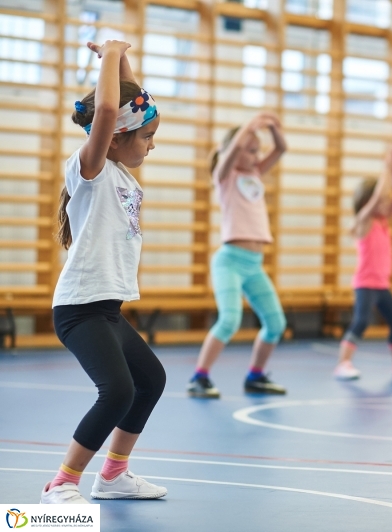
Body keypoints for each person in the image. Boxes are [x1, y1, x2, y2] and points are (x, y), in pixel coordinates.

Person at [43, 40, 166, 503]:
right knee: (115, 391)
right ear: (113, 134)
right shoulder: (90, 168)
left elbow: (131, 99)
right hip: (79, 309)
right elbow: (114, 108)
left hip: (107, 310)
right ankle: (62, 485)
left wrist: (124, 66)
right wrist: (112, 52)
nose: (152, 146)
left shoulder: (119, 172)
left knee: (149, 381)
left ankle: (113, 476)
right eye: (148, 137)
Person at [186, 113, 288, 398]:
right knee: (230, 320)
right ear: (233, 149)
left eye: (258, 151)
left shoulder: (254, 174)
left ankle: (255, 375)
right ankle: (199, 377)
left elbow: (280, 149)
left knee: (276, 323)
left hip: (254, 265)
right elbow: (230, 153)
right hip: (230, 260)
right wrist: (248, 127)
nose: (257, 156)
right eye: (251, 150)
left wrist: (272, 129)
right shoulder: (225, 176)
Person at [333, 148, 392, 380]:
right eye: (382, 199)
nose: (387, 202)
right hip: (365, 284)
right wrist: (385, 167)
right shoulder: (364, 221)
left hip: (382, 285)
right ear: (367, 201)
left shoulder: (383, 222)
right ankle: (343, 363)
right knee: (361, 322)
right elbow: (375, 200)